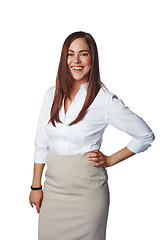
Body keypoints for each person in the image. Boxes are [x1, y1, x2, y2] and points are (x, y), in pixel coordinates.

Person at [29, 31, 155, 240]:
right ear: (64, 58)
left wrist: (110, 160)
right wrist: (36, 186)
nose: (76, 60)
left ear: (92, 59)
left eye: (83, 54)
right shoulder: (51, 94)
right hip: (53, 189)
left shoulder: (104, 100)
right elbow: (41, 144)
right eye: (71, 54)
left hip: (88, 193)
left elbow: (145, 135)